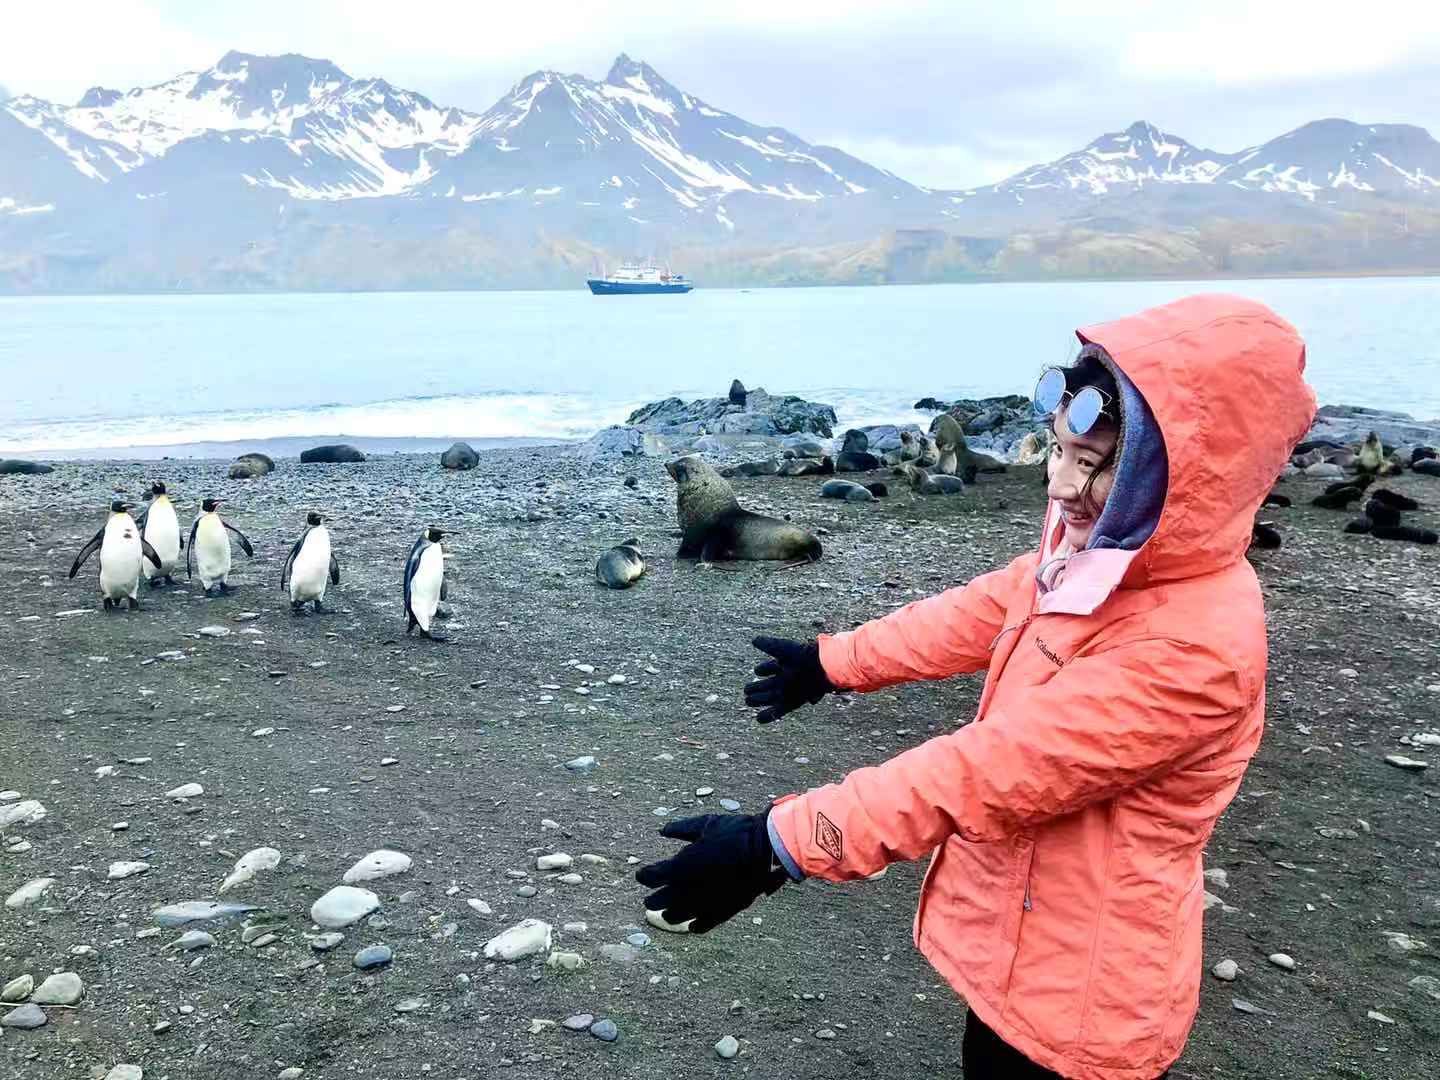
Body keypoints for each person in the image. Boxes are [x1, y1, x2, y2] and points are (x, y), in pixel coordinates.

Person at [635, 294, 1317, 1080]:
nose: (1060, 488)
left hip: (1085, 1009)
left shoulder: (1195, 649)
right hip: (1023, 959)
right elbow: (985, 609)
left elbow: (991, 771)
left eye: (1095, 469)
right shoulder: (1107, 560)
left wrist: (776, 844)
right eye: (1059, 452)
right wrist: (836, 662)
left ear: (1190, 479)